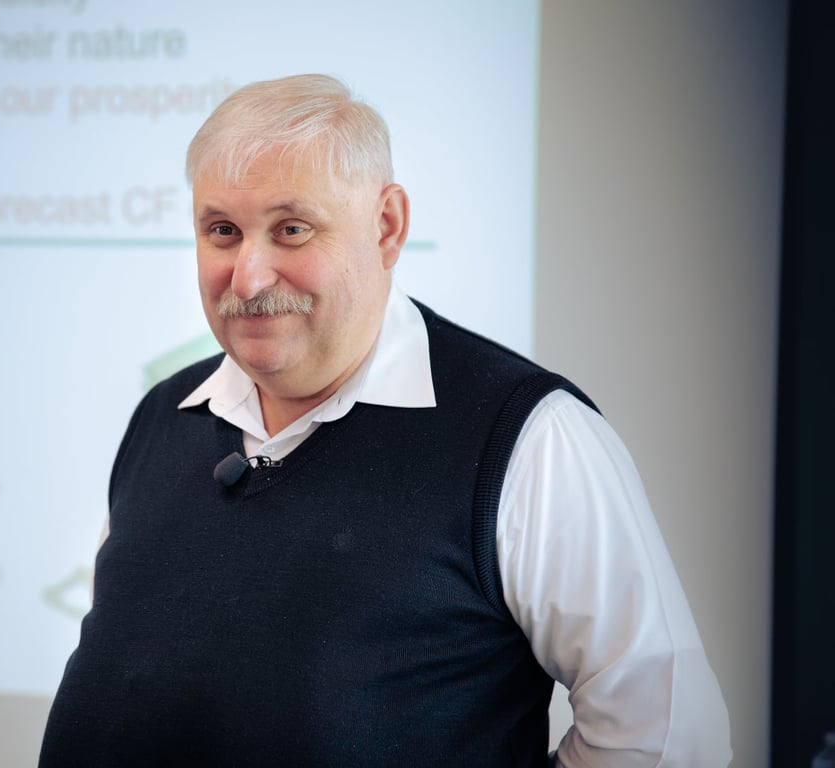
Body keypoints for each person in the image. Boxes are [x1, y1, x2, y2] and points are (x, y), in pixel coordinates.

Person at [39, 74, 731, 766]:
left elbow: (667, 740)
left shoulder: (527, 437)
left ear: (387, 226)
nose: (247, 277)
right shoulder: (164, 415)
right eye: (222, 231)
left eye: (291, 230)